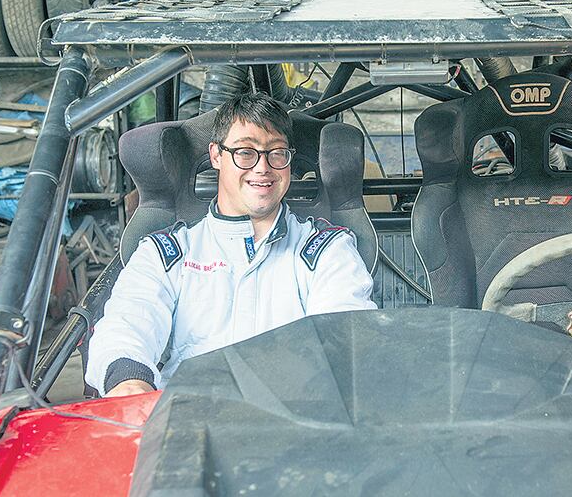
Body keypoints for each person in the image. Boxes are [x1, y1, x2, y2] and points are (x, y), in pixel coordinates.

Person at [86, 93, 376, 397]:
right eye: (245, 152)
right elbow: (126, 326)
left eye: (276, 152)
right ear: (216, 156)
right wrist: (130, 383)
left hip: (296, 415)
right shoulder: (165, 253)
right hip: (187, 417)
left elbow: (346, 334)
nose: (263, 167)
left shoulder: (327, 249)